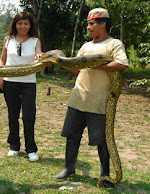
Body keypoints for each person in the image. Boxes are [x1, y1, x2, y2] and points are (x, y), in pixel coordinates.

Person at [54, 8, 129, 189]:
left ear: (103, 23)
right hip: (78, 97)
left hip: (99, 101)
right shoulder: (86, 46)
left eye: (91, 23)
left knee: (101, 140)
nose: (88, 27)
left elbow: (122, 64)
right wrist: (58, 61)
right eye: (88, 24)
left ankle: (105, 175)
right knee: (72, 136)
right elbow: (77, 69)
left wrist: (95, 65)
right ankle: (68, 168)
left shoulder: (114, 44)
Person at [0, 11, 43, 162]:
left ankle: (31, 149)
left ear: (30, 26)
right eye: (20, 23)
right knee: (13, 115)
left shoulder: (35, 40)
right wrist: (0, 77)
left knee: (29, 116)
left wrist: (39, 57)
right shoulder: (8, 40)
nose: (23, 27)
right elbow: (2, 60)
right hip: (10, 81)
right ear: (15, 25)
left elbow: (39, 55)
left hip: (29, 82)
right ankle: (14, 146)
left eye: (26, 24)